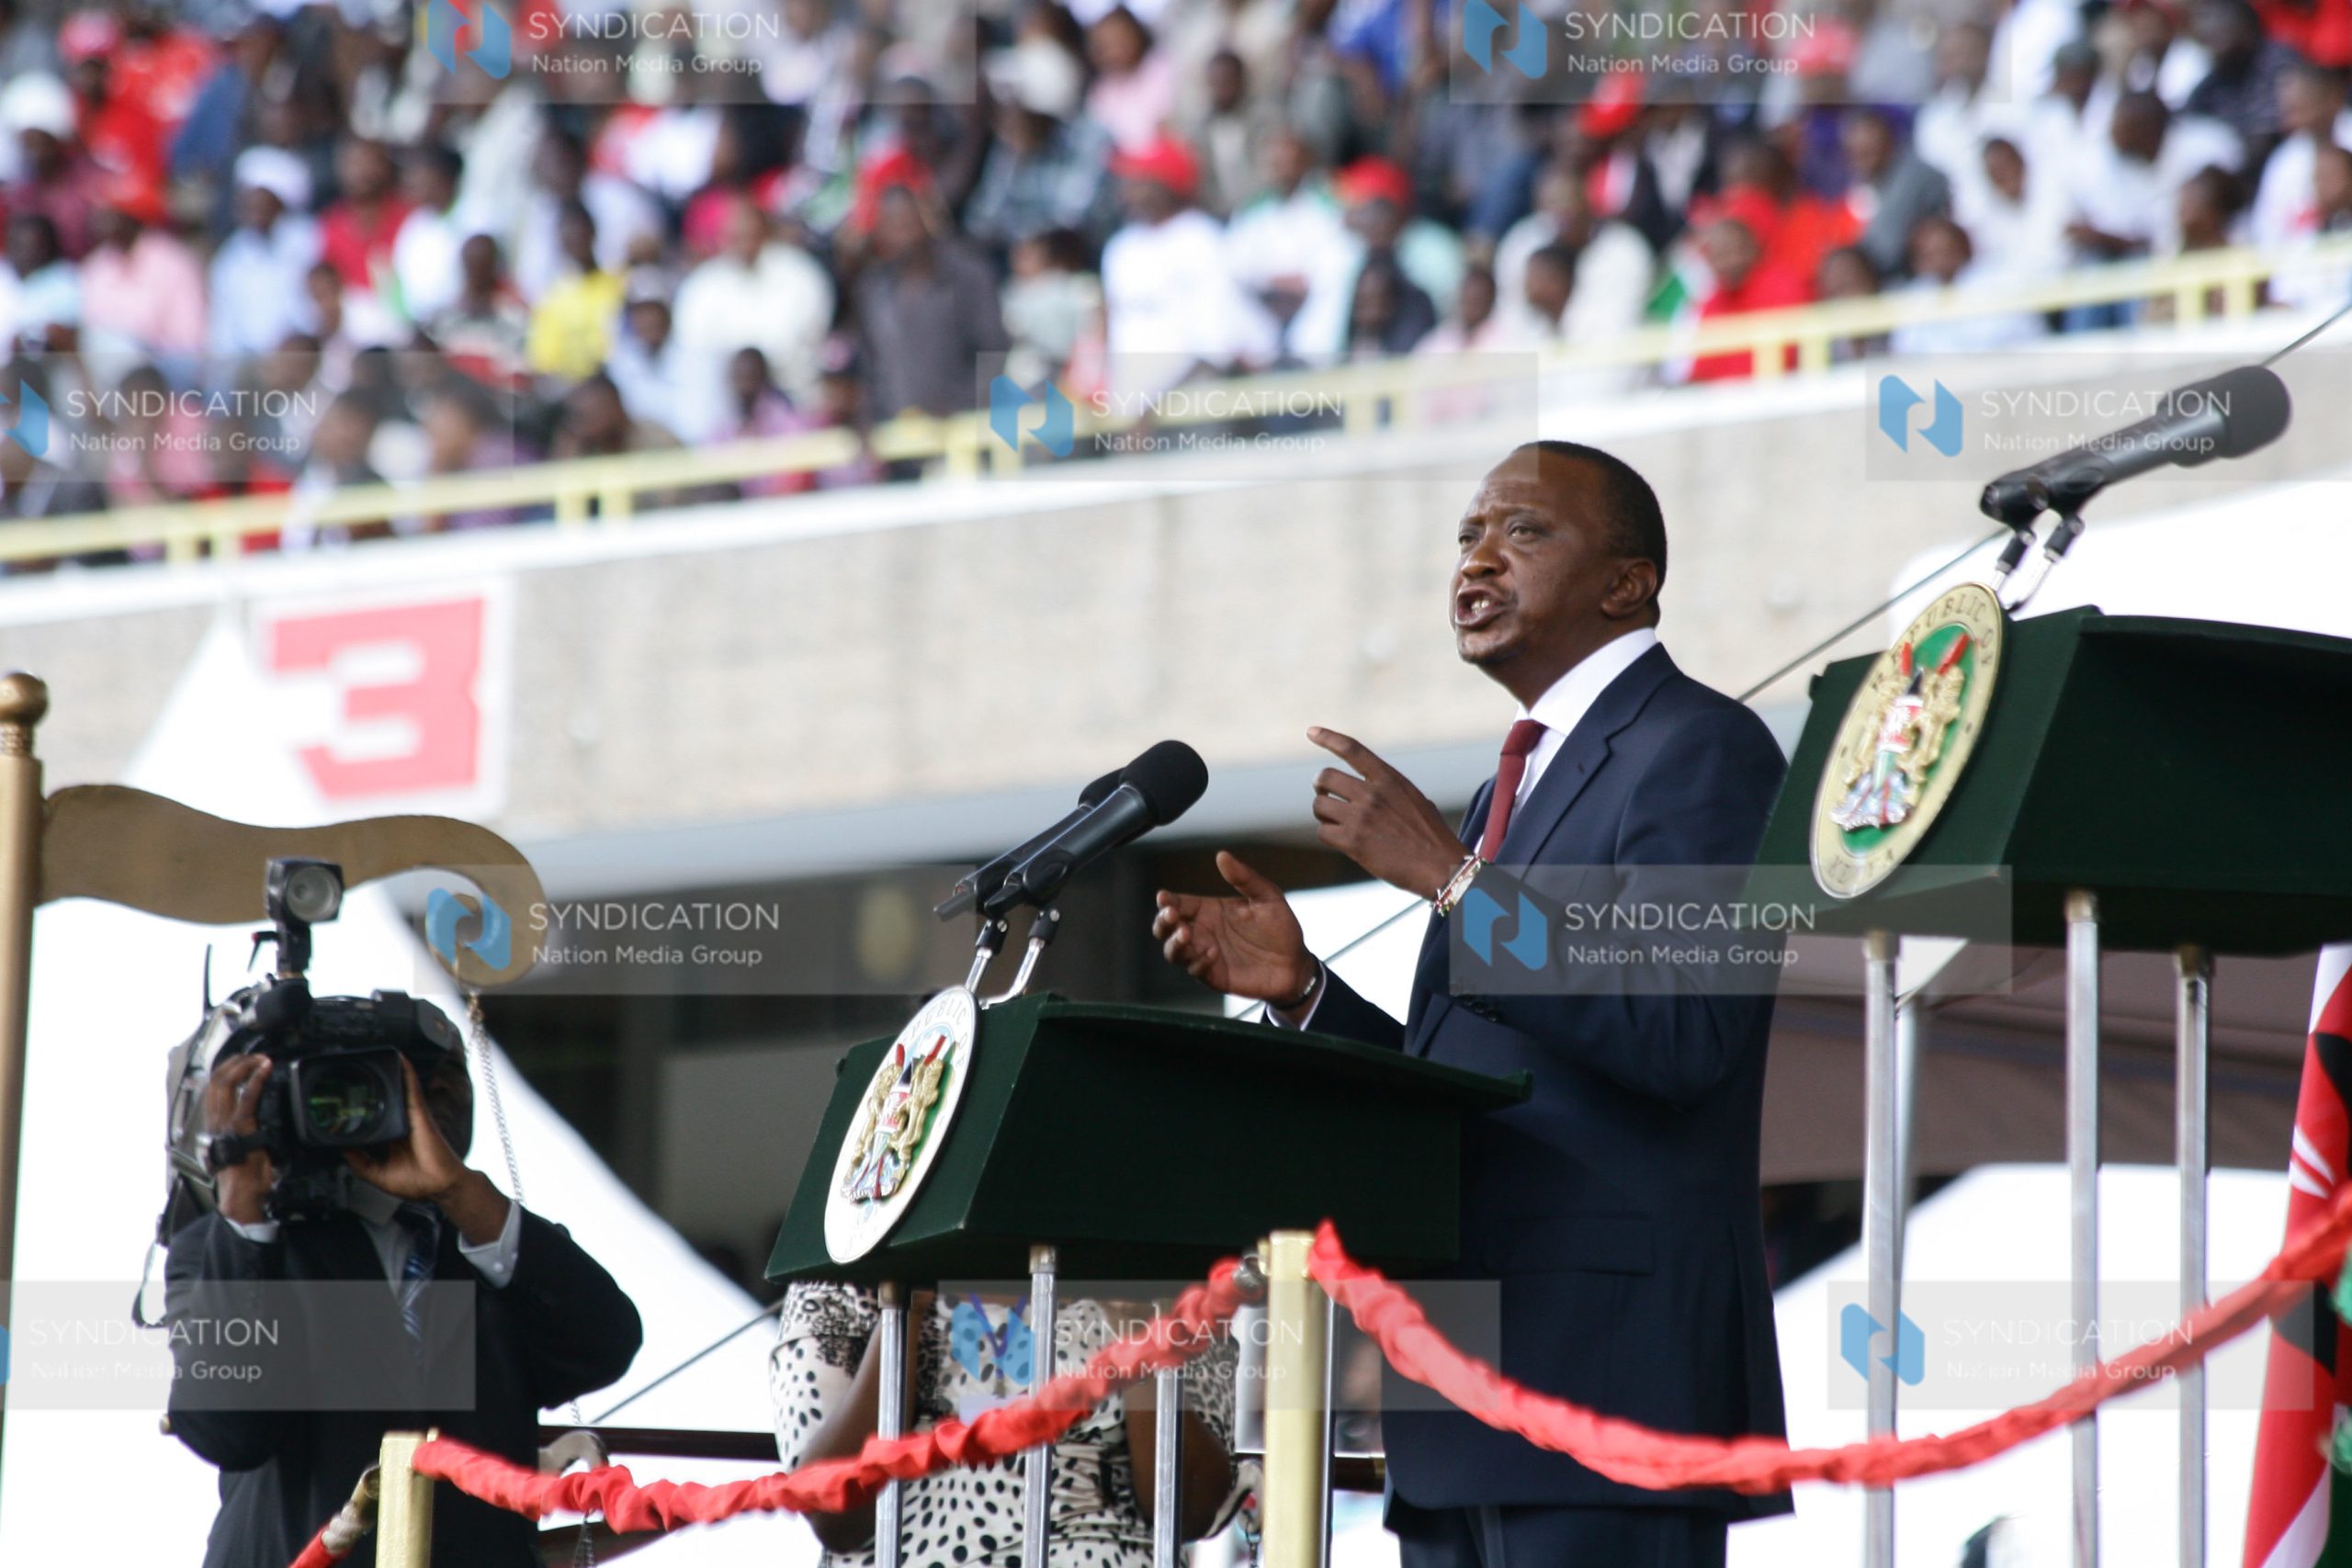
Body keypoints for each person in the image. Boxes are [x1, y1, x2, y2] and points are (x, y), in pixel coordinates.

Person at [1153, 439, 1792, 1568]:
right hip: (1460, 1388)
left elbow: (1683, 1030)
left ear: (1625, 582)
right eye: (1466, 536)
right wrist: (1304, 994)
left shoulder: (1703, 749)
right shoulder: (1506, 785)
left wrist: (1452, 881)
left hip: (1607, 1386)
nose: (1476, 562)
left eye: (1523, 532)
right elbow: (1466, 1080)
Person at [165, 1035, 643, 1568]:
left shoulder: (491, 1240)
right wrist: (244, 1215)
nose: (436, 1093)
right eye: (405, 1076)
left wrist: (462, 1192)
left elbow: (607, 1344)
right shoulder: (234, 1248)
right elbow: (226, 1431)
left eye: (450, 1075)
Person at [772, 1281, 1244, 1566]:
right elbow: (833, 1513)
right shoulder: (842, 1281)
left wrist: (1143, 1333)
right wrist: (904, 1308)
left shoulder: (1146, 1269)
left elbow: (1192, 1508)